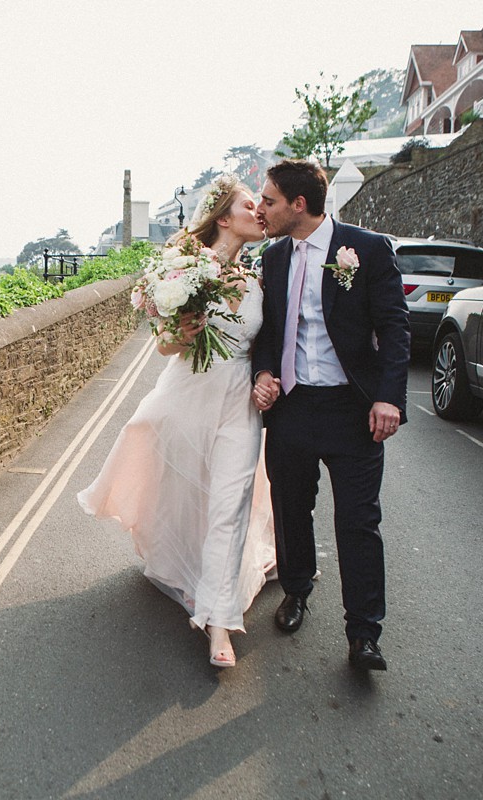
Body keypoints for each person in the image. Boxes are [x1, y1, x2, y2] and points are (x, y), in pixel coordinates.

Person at [78, 173, 273, 669]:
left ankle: (218, 623)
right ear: (224, 218)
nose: (260, 210)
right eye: (250, 204)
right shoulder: (184, 269)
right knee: (191, 499)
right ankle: (193, 575)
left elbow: (266, 345)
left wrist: (267, 378)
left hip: (238, 407)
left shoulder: (259, 279)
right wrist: (184, 330)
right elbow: (165, 344)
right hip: (187, 399)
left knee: (230, 505)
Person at [250, 159, 410, 671]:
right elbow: (267, 332)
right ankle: (296, 591)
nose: (262, 208)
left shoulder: (364, 249)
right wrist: (265, 372)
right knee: (292, 509)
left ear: (299, 205)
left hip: (352, 410)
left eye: (270, 200)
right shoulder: (273, 260)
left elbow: (395, 326)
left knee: (359, 522)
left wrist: (389, 397)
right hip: (294, 409)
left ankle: (364, 633)